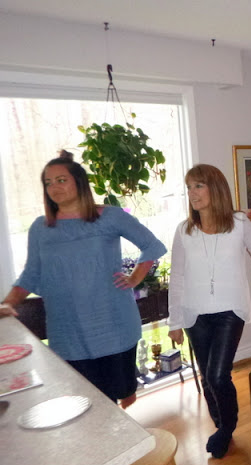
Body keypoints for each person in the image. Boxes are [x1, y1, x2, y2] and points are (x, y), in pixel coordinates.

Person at [0, 151, 166, 407]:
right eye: (48, 183)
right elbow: (31, 274)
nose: (54, 187)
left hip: (112, 325)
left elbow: (151, 245)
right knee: (84, 403)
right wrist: (8, 303)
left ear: (79, 182)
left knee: (118, 398)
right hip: (68, 332)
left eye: (61, 180)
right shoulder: (41, 228)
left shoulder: (110, 216)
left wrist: (134, 278)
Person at [167, 164, 251, 458]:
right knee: (207, 376)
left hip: (230, 311)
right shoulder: (184, 230)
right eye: (189, 187)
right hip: (194, 313)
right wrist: (175, 321)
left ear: (216, 188)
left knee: (218, 375)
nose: (192, 193)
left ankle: (226, 428)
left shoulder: (239, 223)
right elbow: (177, 276)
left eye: (198, 186)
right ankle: (221, 424)